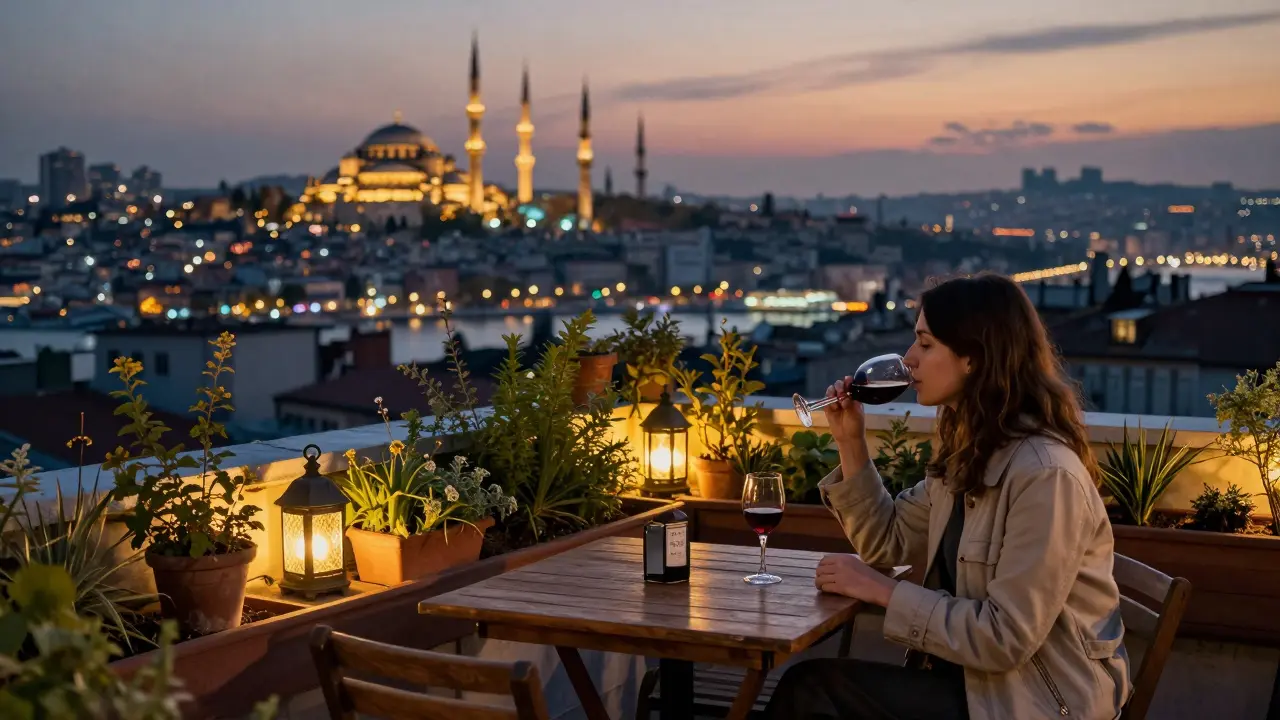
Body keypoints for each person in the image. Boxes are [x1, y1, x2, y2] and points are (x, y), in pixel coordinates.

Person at [765, 275, 1130, 719]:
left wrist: (883, 590)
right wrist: (850, 442)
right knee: (813, 685)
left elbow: (1005, 638)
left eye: (925, 344)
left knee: (813, 691)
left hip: (1035, 701)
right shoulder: (973, 452)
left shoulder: (1044, 475)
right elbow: (888, 542)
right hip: (973, 684)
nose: (908, 359)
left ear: (973, 357)